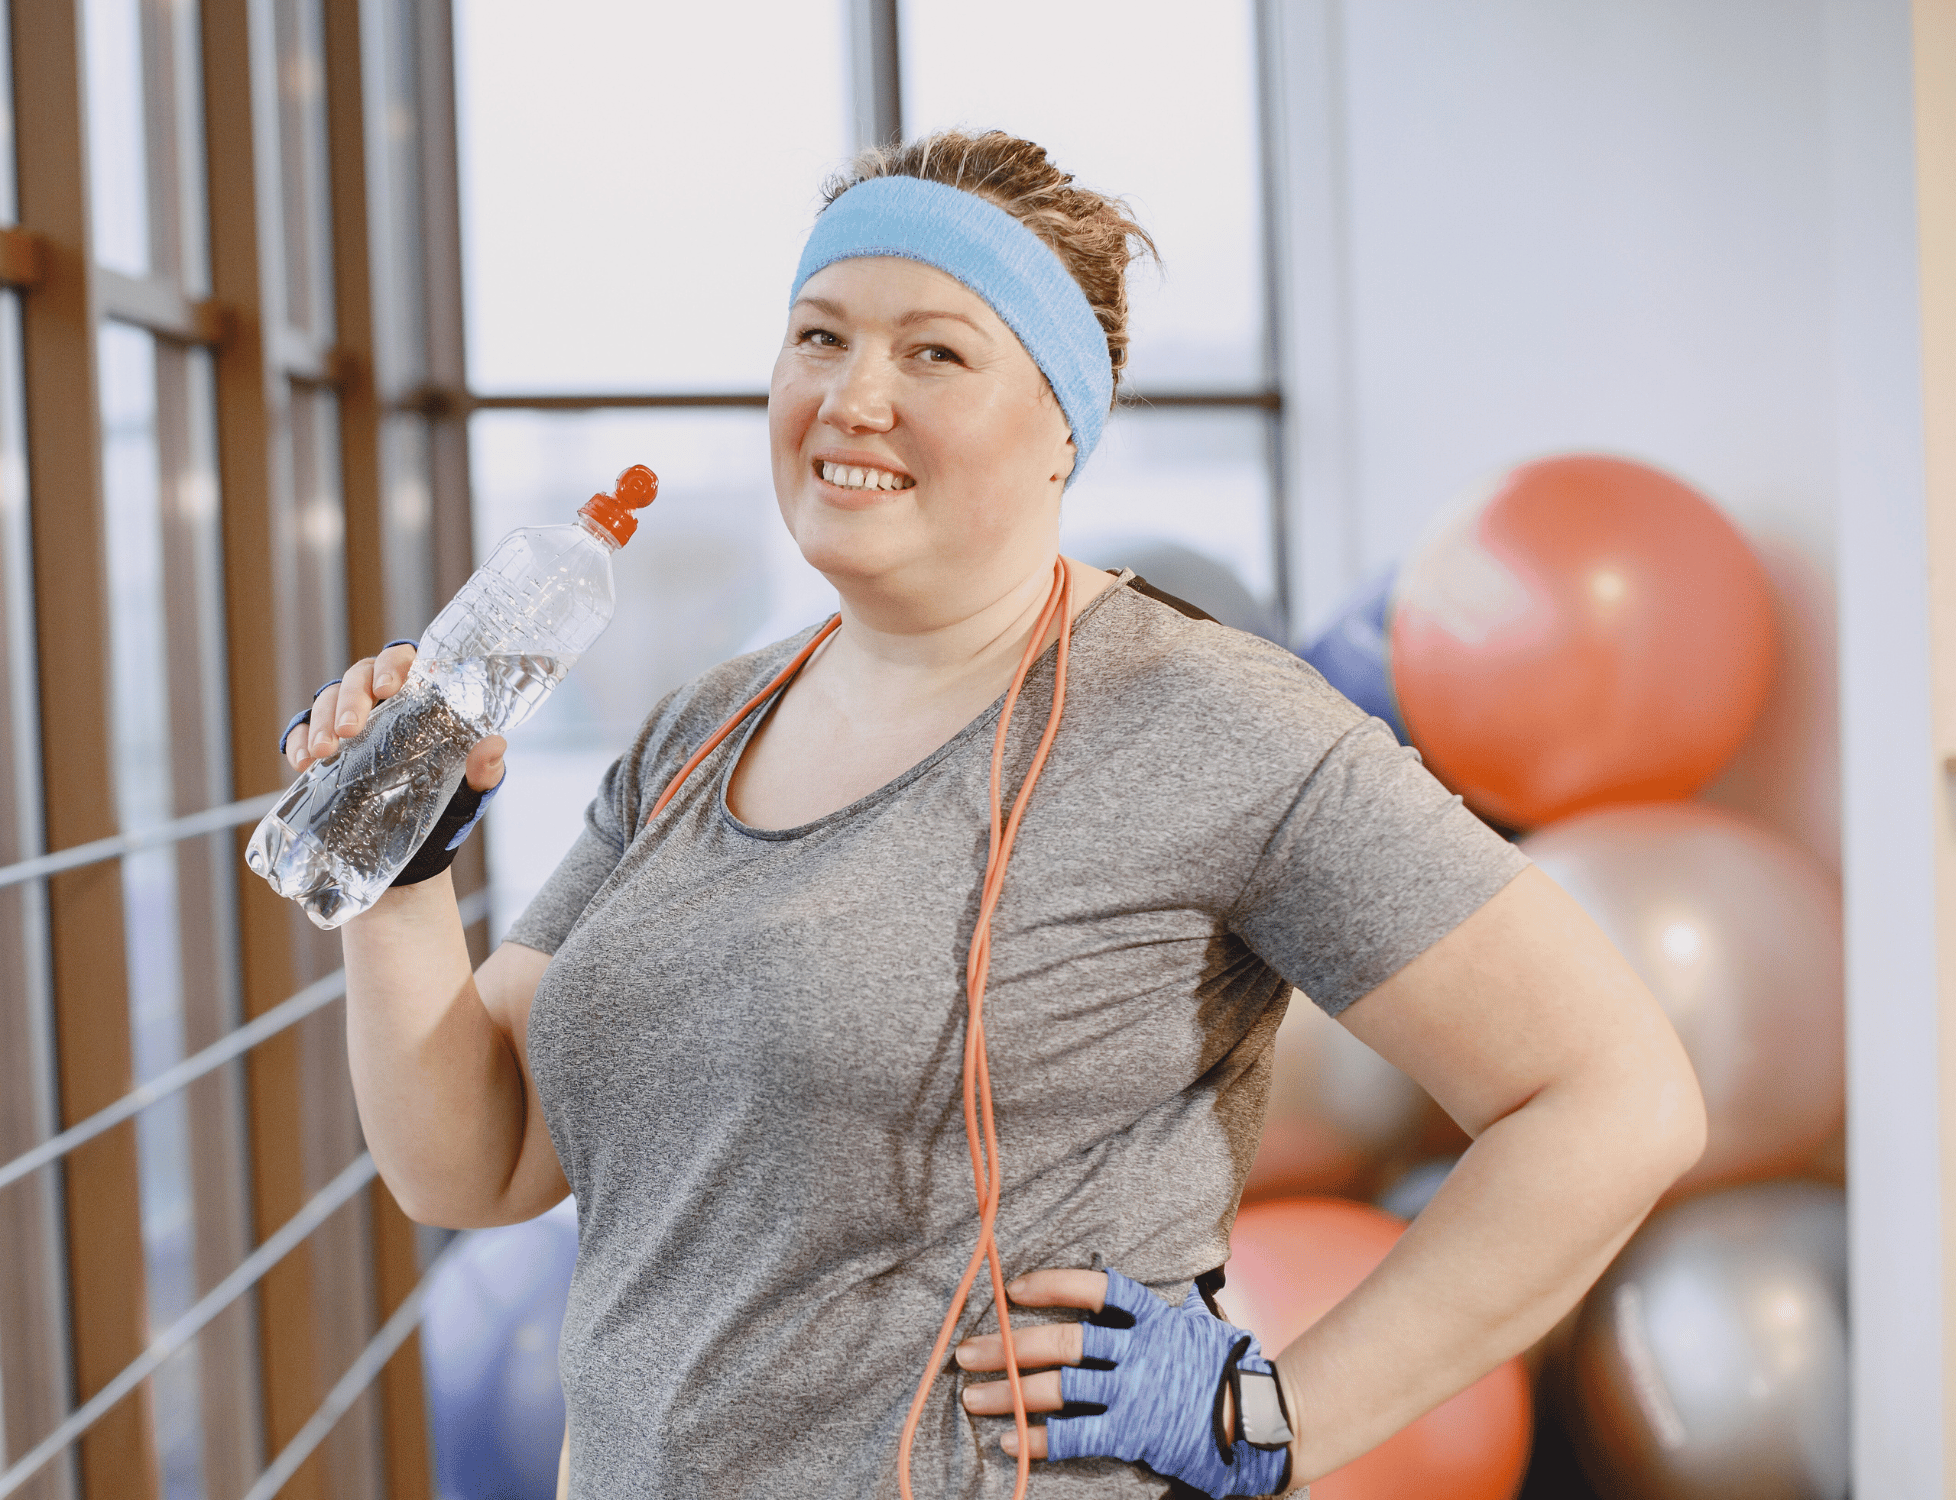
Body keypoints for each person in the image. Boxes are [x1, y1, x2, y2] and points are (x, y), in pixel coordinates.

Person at [289, 130, 1703, 1498]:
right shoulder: (696, 728)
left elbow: (1614, 1098)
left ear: (1060, 431)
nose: (852, 397)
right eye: (820, 337)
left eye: (935, 353)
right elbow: (473, 1163)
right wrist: (400, 874)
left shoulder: (1209, 719)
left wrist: (1269, 1415)